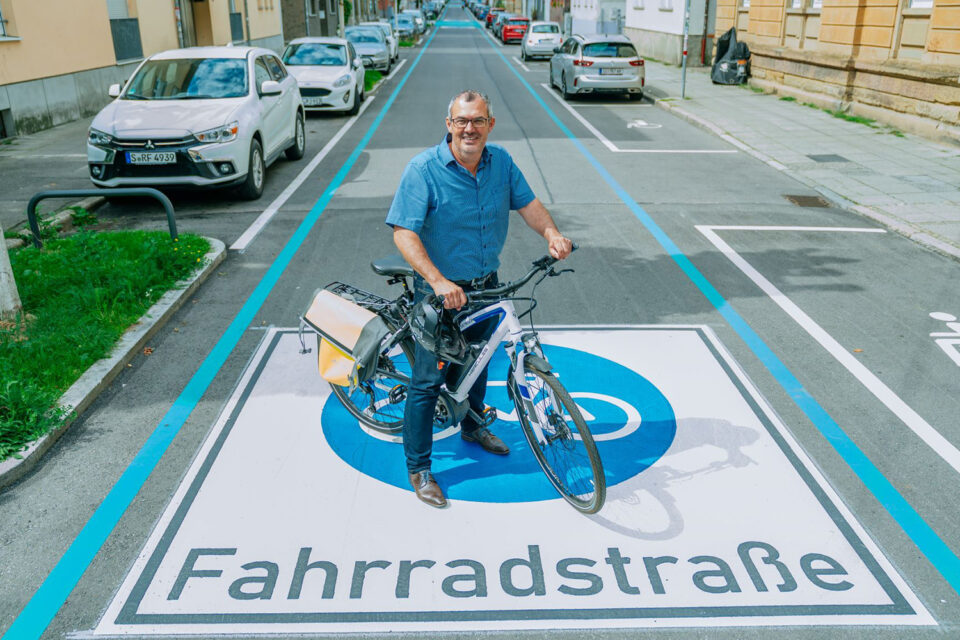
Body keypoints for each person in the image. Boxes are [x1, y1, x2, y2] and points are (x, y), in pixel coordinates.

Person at [386, 89, 573, 508]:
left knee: (482, 357)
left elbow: (528, 204)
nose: (469, 128)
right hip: (440, 292)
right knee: (428, 382)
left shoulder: (501, 163)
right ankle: (419, 468)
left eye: (478, 120)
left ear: (490, 124)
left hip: (486, 283)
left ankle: (472, 425)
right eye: (461, 121)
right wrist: (435, 280)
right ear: (448, 124)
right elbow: (403, 231)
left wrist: (552, 234)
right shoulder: (423, 170)